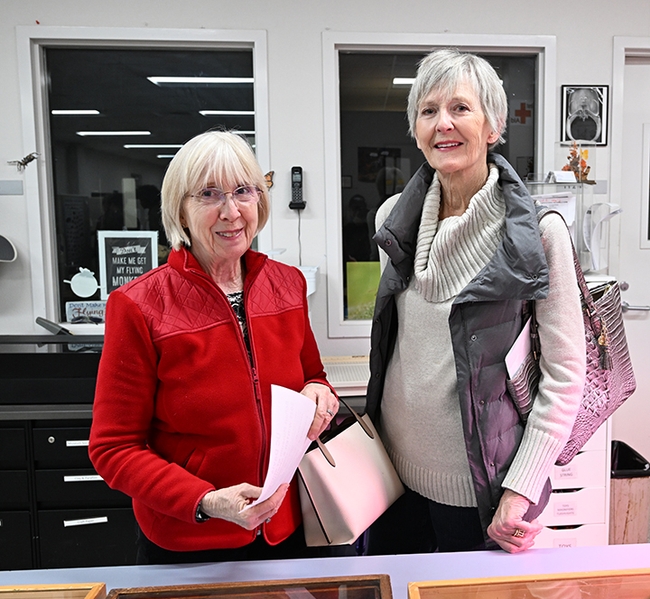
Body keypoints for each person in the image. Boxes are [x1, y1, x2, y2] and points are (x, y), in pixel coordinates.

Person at [365, 49, 586, 554]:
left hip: (479, 488)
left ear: (493, 126)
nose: (443, 123)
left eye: (461, 108)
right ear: (416, 129)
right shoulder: (391, 220)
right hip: (392, 476)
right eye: (428, 110)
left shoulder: (538, 235)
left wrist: (521, 488)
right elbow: (399, 344)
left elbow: (565, 375)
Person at [89, 130, 339, 563]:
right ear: (181, 211)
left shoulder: (287, 285)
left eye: (244, 191)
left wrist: (320, 394)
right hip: (192, 540)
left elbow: (314, 376)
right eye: (209, 194)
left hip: (287, 528)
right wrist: (206, 501)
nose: (232, 211)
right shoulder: (139, 306)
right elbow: (113, 449)